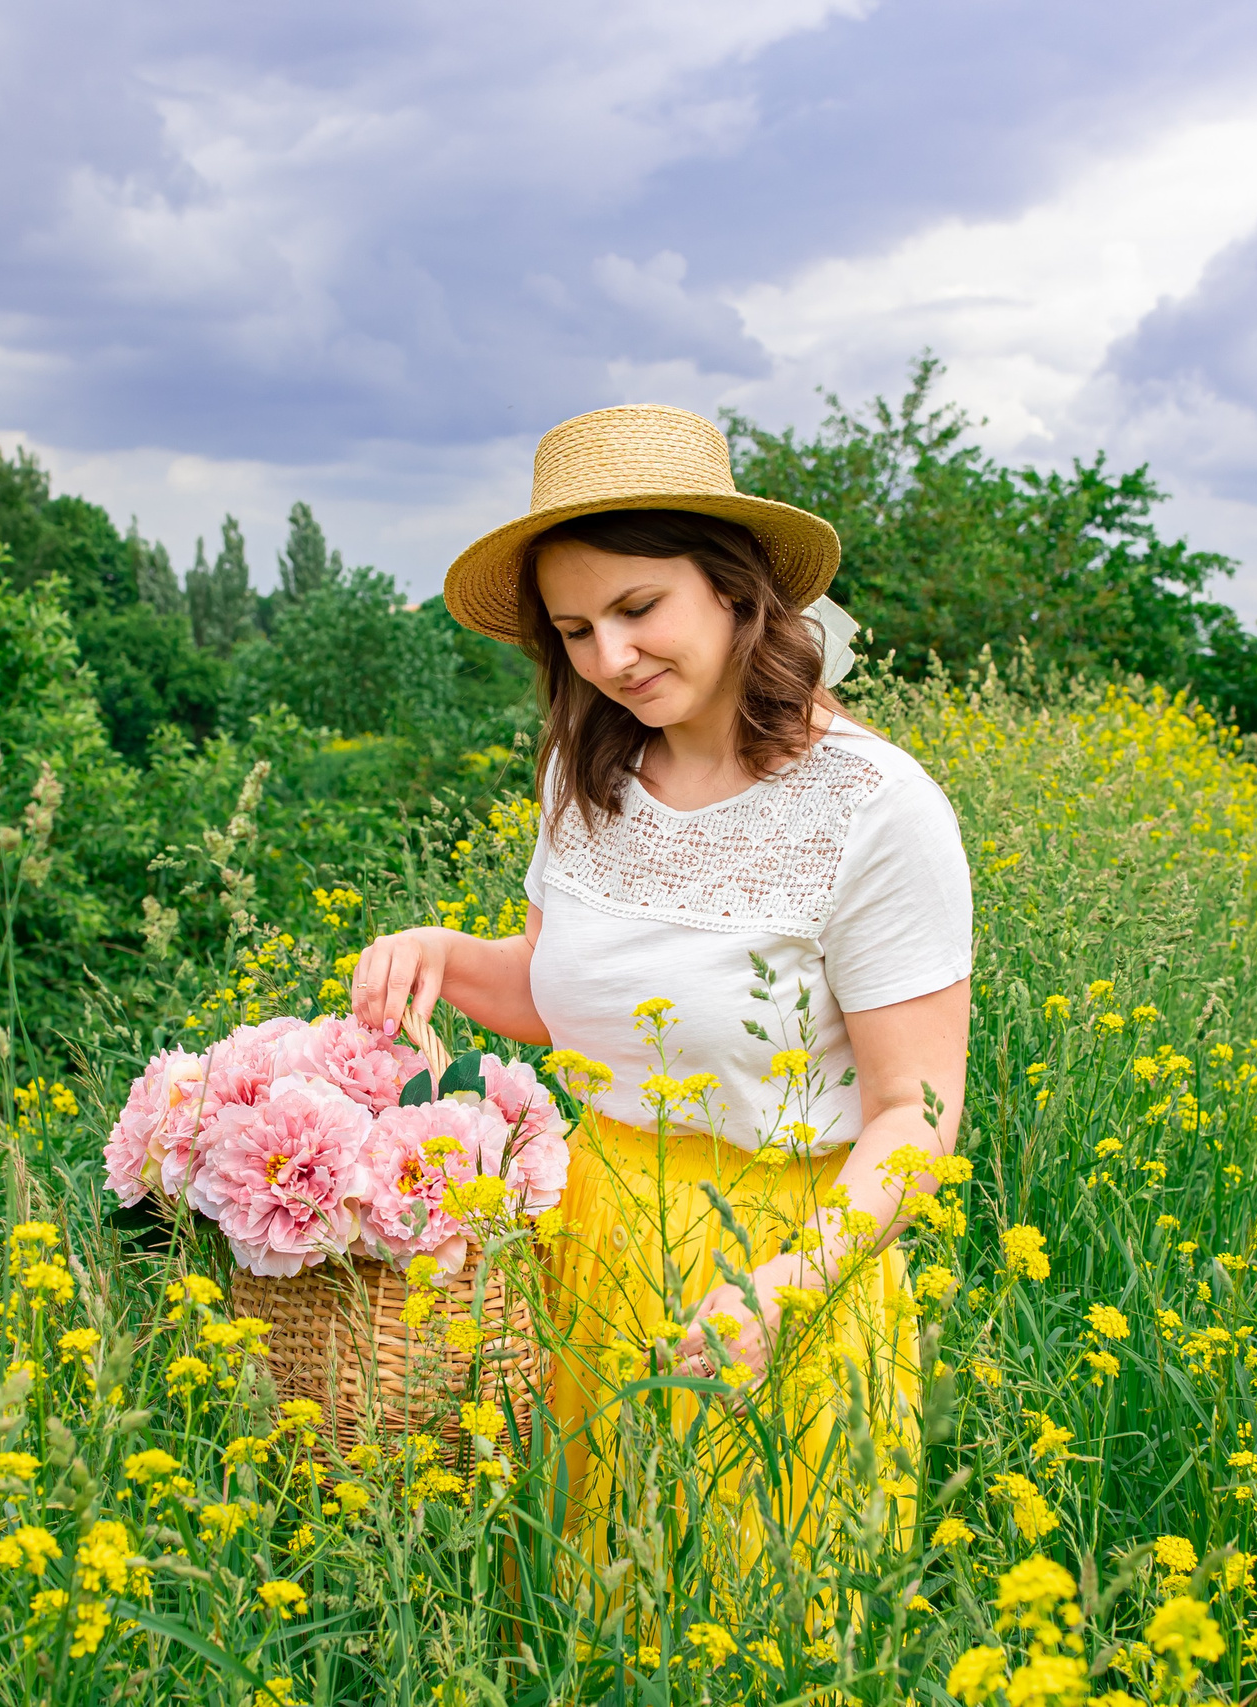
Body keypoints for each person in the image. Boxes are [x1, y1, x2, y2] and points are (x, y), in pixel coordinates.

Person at [349, 403, 972, 1535]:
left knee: (759, 1630)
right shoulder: (586, 774)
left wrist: (787, 1289)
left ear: (735, 589)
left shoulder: (875, 809)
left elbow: (914, 1118)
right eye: (575, 630)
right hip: (584, 1254)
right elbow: (558, 1000)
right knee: (579, 1617)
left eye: (639, 609)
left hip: (783, 1279)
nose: (610, 659)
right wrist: (437, 955)